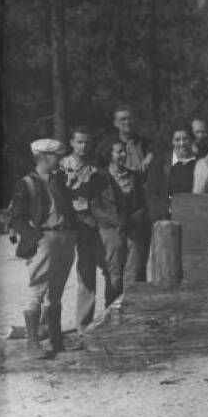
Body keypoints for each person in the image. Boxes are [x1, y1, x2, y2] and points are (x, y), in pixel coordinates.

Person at [8, 139, 77, 358]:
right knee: (37, 290)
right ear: (45, 157)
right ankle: (32, 343)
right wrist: (35, 238)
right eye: (57, 156)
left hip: (65, 237)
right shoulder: (26, 183)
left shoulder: (59, 181)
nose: (60, 160)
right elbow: (16, 218)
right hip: (45, 238)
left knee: (56, 291)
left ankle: (56, 340)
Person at [96, 105, 154, 281]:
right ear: (115, 123)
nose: (127, 122)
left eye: (130, 118)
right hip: (113, 218)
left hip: (138, 209)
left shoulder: (146, 144)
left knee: (137, 265)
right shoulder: (107, 146)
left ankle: (134, 303)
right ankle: (113, 303)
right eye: (122, 119)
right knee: (114, 271)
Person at [90, 139, 147, 310]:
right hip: (110, 230)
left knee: (133, 273)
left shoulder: (134, 175)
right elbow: (94, 206)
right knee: (114, 275)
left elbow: (142, 205)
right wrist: (116, 221)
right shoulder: (98, 176)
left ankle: (130, 313)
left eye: (124, 151)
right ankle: (111, 312)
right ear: (109, 154)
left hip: (132, 229)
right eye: (118, 151)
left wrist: (133, 220)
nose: (123, 154)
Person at [59, 125, 105, 334]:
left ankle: (83, 324)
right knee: (57, 273)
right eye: (79, 142)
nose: (83, 146)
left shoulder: (94, 169)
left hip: (87, 224)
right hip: (65, 223)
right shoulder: (60, 165)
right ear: (71, 143)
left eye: (87, 142)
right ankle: (45, 324)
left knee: (87, 271)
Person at [145, 124, 197, 223]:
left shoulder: (199, 163)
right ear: (172, 142)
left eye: (185, 139)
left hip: (192, 216)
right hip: (166, 218)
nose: (182, 143)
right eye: (177, 140)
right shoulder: (162, 162)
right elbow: (150, 193)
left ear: (191, 140)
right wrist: (165, 209)